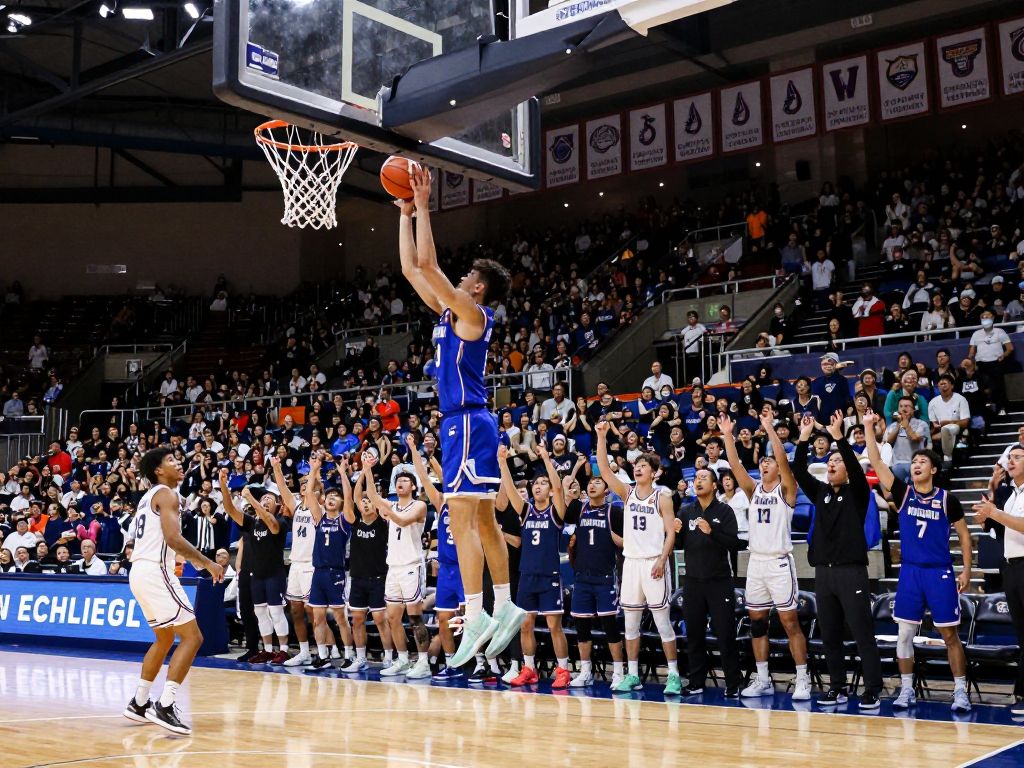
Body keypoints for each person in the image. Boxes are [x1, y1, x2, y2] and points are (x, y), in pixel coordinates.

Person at [396, 165, 524, 668]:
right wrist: (404, 215)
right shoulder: (452, 314)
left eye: (469, 276)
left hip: (466, 422)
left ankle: (475, 614)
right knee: (487, 522)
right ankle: (506, 603)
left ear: (479, 290)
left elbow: (429, 261)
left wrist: (425, 205)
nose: (463, 277)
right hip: (470, 423)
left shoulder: (473, 315)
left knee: (460, 521)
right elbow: (412, 268)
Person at [862, 411, 972, 713]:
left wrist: (966, 570)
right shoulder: (904, 493)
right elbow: (876, 460)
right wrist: (869, 426)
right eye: (914, 462)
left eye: (922, 462)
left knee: (949, 634)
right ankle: (907, 688)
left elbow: (964, 537)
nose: (916, 465)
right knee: (905, 633)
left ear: (934, 469)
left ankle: (960, 691)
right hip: (910, 572)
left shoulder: (948, 499)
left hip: (939, 572)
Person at [123, 447, 223, 735]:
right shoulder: (167, 494)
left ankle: (139, 702)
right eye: (170, 460)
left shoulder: (145, 498)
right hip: (155, 571)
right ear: (157, 470)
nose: (178, 463)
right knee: (193, 637)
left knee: (165, 638)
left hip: (139, 572)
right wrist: (207, 563)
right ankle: (165, 706)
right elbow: (173, 537)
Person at [792, 411, 883, 708]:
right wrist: (804, 437)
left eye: (837, 461)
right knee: (829, 633)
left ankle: (872, 688)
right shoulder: (820, 493)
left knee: (860, 632)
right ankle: (838, 687)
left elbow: (857, 472)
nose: (831, 464)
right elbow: (799, 471)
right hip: (824, 574)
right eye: (829, 461)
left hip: (851, 572)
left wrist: (840, 438)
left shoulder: (858, 493)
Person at [719, 414, 810, 701]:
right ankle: (762, 678)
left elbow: (784, 461)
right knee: (757, 622)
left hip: (780, 562)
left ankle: (803, 678)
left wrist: (770, 428)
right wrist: (727, 435)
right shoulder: (753, 489)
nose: (765, 463)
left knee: (789, 622)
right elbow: (734, 466)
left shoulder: (787, 490)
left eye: (769, 462)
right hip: (756, 562)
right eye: (763, 461)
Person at [595, 421, 681, 695]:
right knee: (630, 624)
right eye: (636, 465)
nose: (638, 468)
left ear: (654, 473)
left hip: (654, 562)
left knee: (662, 621)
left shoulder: (662, 498)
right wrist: (601, 436)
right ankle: (632, 674)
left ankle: (674, 675)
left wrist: (662, 560)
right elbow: (605, 470)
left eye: (644, 466)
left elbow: (671, 534)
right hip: (630, 564)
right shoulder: (627, 493)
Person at [498, 443, 571, 689]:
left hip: (549, 576)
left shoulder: (555, 511)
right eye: (535, 483)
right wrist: (502, 463)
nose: (537, 486)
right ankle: (529, 668)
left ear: (549, 490)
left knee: (553, 626)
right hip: (527, 576)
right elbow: (509, 490)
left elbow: (560, 488)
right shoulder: (526, 511)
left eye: (543, 484)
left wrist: (547, 460)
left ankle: (563, 669)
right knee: (525, 624)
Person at [673, 466, 743, 697]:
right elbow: (679, 545)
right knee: (694, 634)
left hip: (719, 580)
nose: (698, 481)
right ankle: (696, 682)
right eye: (696, 478)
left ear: (715, 485)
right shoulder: (685, 511)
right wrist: (674, 533)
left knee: (725, 634)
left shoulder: (725, 511)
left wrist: (711, 531)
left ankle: (733, 683)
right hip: (693, 581)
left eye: (704, 478)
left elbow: (734, 544)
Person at [363, 452, 431, 679]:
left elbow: (402, 520)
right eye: (398, 480)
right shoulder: (392, 505)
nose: (400, 483)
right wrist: (367, 469)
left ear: (413, 486)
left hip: (412, 565)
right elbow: (372, 495)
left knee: (414, 618)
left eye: (405, 480)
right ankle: (402, 659)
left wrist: (387, 511)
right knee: (392, 617)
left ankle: (423, 662)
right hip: (393, 567)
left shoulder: (419, 506)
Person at [407, 433, 464, 681]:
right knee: (444, 620)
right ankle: (452, 664)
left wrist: (434, 457)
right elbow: (423, 477)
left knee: (468, 620)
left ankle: (482, 663)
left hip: (467, 569)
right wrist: (415, 451)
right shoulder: (442, 504)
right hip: (447, 570)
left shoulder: (471, 504)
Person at [218, 470, 291, 665]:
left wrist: (252, 498)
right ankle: (267, 650)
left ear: (278, 506)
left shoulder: (281, 522)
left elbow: (272, 524)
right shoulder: (252, 522)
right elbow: (231, 510)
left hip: (274, 574)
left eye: (270, 499)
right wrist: (224, 487)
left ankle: (283, 650)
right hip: (257, 575)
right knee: (259, 612)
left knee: (276, 612)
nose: (266, 500)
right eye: (264, 497)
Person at [973, 445, 1024, 716]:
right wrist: (986, 518)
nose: (1010, 462)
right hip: (1011, 568)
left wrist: (993, 513)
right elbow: (999, 527)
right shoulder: (1012, 494)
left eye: (1017, 457)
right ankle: (1021, 692)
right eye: (1009, 458)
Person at [564, 472, 625, 688]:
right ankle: (585, 671)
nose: (592, 485)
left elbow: (626, 541)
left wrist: (615, 539)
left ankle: (618, 672)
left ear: (606, 490)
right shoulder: (579, 508)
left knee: (610, 626)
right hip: (582, 577)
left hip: (605, 576)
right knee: (582, 626)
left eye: (598, 482)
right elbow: (563, 506)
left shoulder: (614, 511)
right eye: (590, 482)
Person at [303, 453, 356, 671]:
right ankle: (323, 656)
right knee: (317, 619)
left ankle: (350, 655)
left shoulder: (345, 520)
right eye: (329, 496)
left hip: (336, 573)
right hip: (318, 573)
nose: (332, 498)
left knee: (340, 618)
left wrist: (343, 473)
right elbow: (308, 494)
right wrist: (314, 469)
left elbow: (350, 496)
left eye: (336, 496)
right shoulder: (320, 518)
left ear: (342, 502)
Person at [339, 469, 395, 673]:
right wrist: (361, 473)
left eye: (369, 501)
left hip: (379, 578)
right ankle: (360, 657)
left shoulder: (382, 523)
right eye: (363, 502)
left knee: (381, 620)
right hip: (357, 578)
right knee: (357, 620)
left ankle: (389, 658)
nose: (365, 503)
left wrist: (369, 472)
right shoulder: (355, 523)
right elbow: (354, 496)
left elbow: (371, 497)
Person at [969, 310, 1013, 417]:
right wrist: (971, 362)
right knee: (983, 387)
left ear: (992, 318)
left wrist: (1004, 355)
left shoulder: (1000, 331)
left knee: (998, 386)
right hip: (981, 364)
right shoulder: (976, 334)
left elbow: (1009, 348)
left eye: (987, 316)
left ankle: (1001, 407)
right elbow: (971, 352)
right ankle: (986, 408)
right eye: (982, 317)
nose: (984, 318)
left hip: (996, 363)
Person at [927, 374, 970, 469]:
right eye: (941, 384)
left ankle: (947, 457)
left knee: (948, 428)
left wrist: (950, 422)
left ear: (952, 386)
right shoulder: (933, 402)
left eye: (945, 383)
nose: (943, 386)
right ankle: (946, 457)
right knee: (941, 431)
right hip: (939, 431)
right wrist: (936, 427)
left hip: (957, 428)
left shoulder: (960, 399)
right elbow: (933, 423)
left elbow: (965, 422)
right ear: (937, 386)